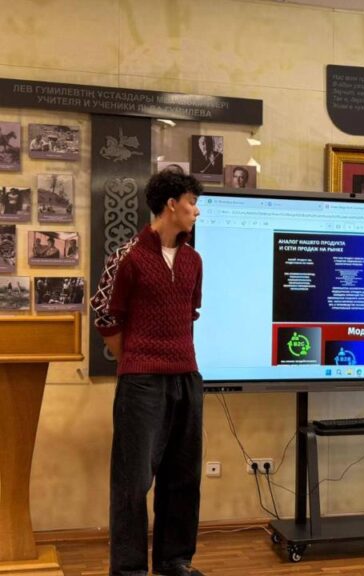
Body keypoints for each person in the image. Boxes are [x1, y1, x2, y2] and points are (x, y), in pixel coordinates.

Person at [90, 170, 205, 576]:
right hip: (141, 382)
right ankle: (129, 569)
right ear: (171, 204)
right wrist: (134, 360)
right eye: (192, 202)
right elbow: (104, 313)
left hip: (187, 376)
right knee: (133, 481)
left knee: (184, 476)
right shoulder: (127, 256)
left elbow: (190, 313)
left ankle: (174, 561)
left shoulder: (193, 260)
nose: (196, 211)